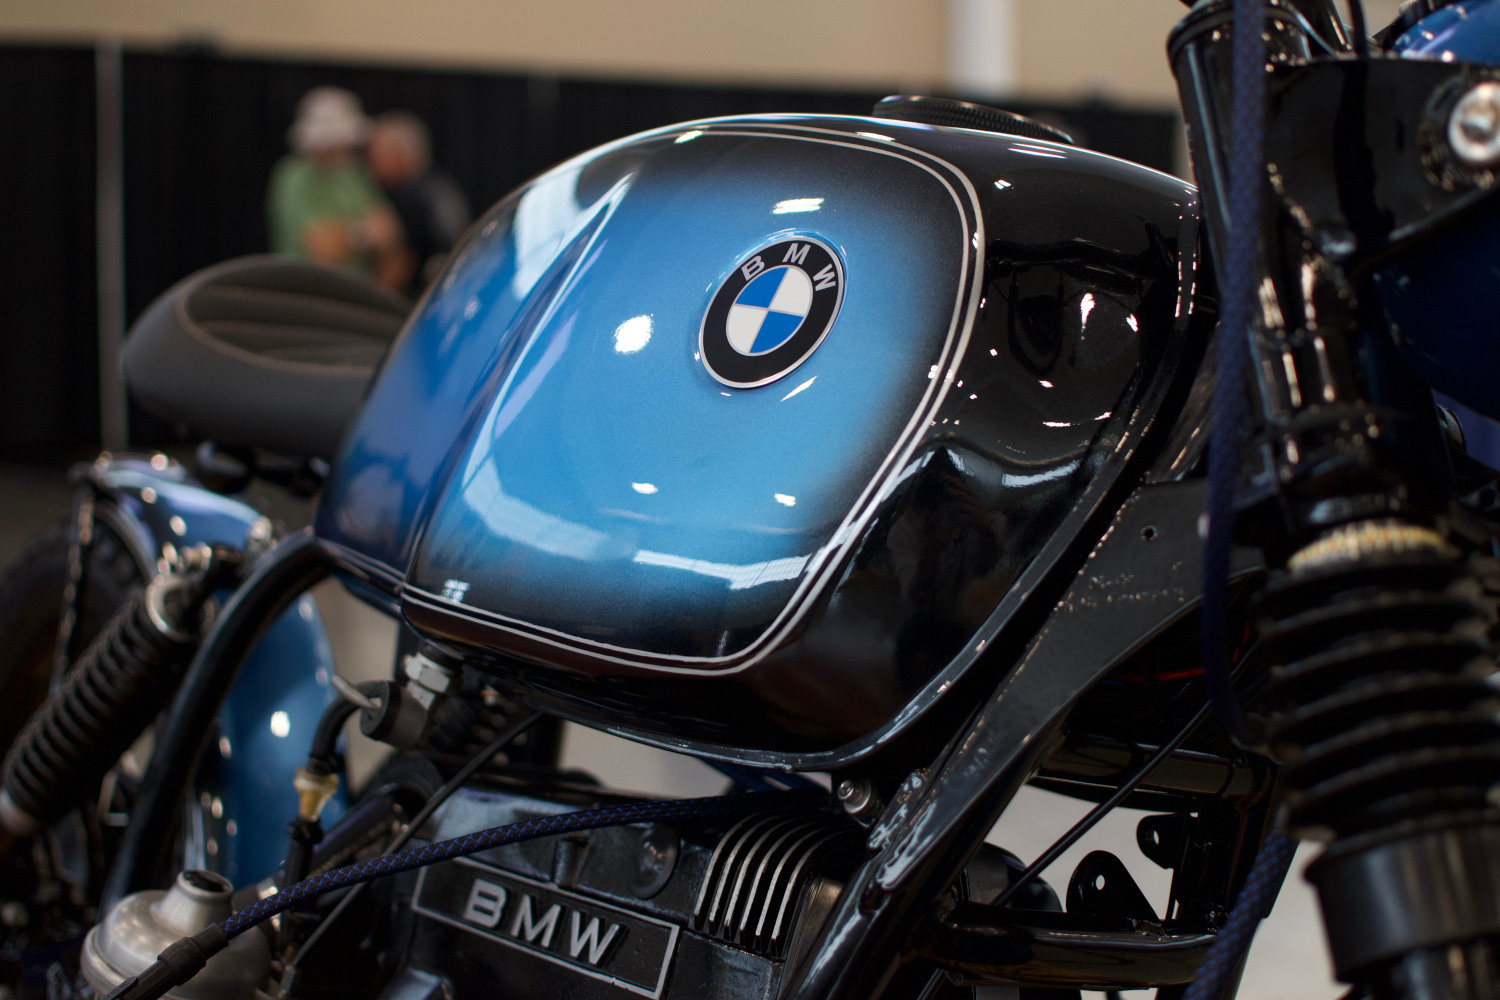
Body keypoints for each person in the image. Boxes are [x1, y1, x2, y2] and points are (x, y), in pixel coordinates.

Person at [266, 87, 404, 288]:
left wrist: (347, 237)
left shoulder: (354, 173)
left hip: (358, 290)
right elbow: (321, 248)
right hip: (305, 290)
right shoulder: (293, 177)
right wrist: (364, 233)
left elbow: (389, 234)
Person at [366, 111, 471, 295]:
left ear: (399, 154)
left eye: (378, 155)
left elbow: (403, 263)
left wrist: (370, 299)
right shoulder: (441, 186)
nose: (372, 165)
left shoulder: (410, 198)